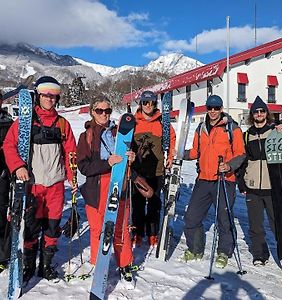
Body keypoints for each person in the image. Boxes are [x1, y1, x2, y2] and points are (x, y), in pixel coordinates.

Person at [3, 76, 77, 281]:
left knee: (52, 228)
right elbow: (9, 146)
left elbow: (71, 152)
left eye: (54, 96)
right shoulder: (25, 122)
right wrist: (18, 166)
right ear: (38, 96)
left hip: (55, 184)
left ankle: (46, 266)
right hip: (32, 184)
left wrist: (73, 177)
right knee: (31, 227)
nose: (50, 99)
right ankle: (28, 265)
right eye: (46, 95)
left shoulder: (63, 124)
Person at [77, 95, 136, 282]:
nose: (104, 114)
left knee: (120, 227)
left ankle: (124, 264)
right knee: (97, 229)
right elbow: (83, 166)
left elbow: (132, 156)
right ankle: (98, 263)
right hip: (97, 188)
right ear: (92, 112)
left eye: (107, 110)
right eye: (99, 111)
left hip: (120, 183)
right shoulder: (86, 136)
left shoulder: (119, 132)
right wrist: (107, 163)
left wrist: (132, 158)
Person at [183, 94, 245, 268]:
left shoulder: (232, 128)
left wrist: (229, 165)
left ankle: (224, 252)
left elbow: (241, 154)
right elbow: (196, 152)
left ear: (221, 109)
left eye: (216, 108)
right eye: (210, 108)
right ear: (206, 108)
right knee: (191, 216)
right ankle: (195, 249)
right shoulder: (200, 128)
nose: (213, 111)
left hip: (225, 180)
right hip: (203, 179)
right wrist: (181, 154)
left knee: (224, 218)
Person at [238, 96, 282, 269]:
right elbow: (243, 161)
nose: (259, 114)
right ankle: (259, 254)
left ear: (267, 113)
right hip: (252, 187)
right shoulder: (246, 135)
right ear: (252, 114)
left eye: (262, 111)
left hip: (272, 186)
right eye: (256, 111)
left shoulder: (275, 131)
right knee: (256, 226)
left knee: (278, 223)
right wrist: (241, 182)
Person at [131, 90, 176, 247]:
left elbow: (171, 139)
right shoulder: (134, 122)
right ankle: (137, 233)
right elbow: (124, 140)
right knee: (137, 204)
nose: (148, 106)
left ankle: (152, 233)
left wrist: (170, 157)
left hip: (156, 171)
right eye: (145, 102)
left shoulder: (162, 123)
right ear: (141, 104)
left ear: (155, 104)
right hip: (137, 171)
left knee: (154, 204)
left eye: (151, 103)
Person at [0, 92, 13, 272]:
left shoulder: (7, 122)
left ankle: (2, 255)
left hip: (2, 175)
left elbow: (13, 147)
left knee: (2, 216)